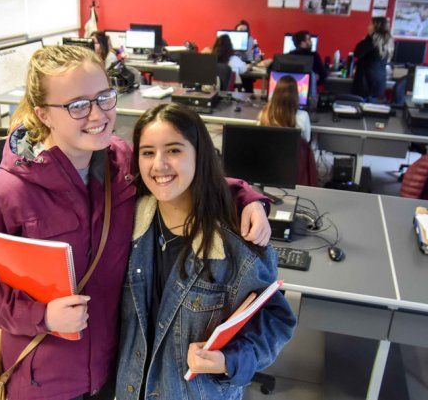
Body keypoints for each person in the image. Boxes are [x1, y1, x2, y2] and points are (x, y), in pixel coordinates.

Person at [0, 45, 271, 400]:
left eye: (104, 97)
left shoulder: (120, 163)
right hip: (44, 383)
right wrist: (41, 316)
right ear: (43, 114)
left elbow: (179, 177)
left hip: (115, 374)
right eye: (77, 105)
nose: (98, 115)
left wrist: (245, 197)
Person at [116, 103, 296, 400]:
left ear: (199, 154)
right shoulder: (127, 224)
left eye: (174, 150)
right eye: (148, 152)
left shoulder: (237, 242)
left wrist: (230, 360)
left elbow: (276, 321)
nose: (158, 165)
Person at [352, 17, 394, 102]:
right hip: (379, 82)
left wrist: (365, 39)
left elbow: (357, 53)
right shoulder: (387, 41)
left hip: (366, 83)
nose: (368, 27)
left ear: (376, 26)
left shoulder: (372, 40)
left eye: (370, 24)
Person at [258, 75, 311, 142]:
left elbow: (259, 137)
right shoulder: (303, 117)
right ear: (295, 95)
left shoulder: (264, 114)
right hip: (292, 152)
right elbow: (306, 141)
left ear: (275, 93)